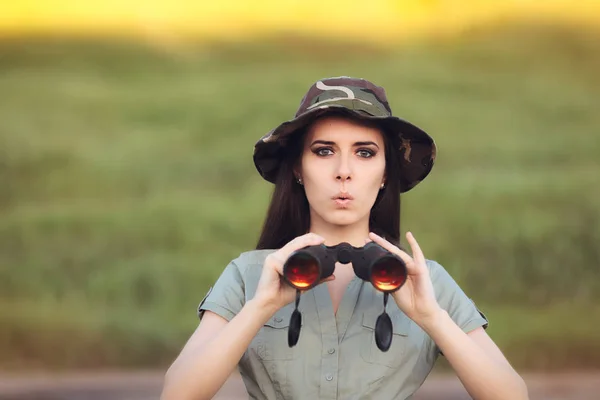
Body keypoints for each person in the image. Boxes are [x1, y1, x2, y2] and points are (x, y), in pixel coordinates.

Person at [161, 77, 528, 400]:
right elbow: (177, 395)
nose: (344, 172)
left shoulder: (422, 282)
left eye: (365, 153)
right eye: (324, 151)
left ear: (386, 173)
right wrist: (260, 307)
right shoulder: (250, 274)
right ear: (298, 169)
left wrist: (432, 318)